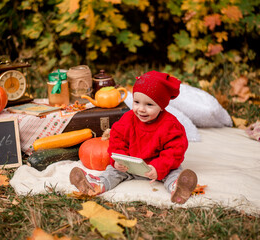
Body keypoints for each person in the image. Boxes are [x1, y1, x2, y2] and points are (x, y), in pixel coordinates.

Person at [70, 70, 197, 204]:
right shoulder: (128, 119)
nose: (141, 109)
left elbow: (175, 150)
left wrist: (158, 167)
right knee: (112, 171)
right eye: (137, 102)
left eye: (149, 104)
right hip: (131, 166)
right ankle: (96, 185)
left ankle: (178, 188)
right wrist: (119, 159)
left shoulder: (170, 125)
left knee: (174, 171)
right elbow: (117, 139)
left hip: (158, 167)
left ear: (161, 106)